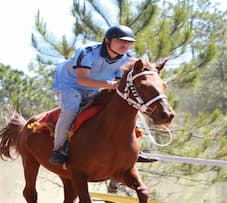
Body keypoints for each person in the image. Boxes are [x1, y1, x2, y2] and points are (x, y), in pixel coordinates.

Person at [48, 25, 158, 166]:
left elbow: (119, 82)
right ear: (107, 40)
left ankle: (134, 147)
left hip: (96, 86)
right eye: (121, 41)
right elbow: (82, 80)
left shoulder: (128, 59)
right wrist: (110, 85)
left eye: (129, 42)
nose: (125, 45)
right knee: (71, 109)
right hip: (69, 84)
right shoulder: (87, 52)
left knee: (123, 108)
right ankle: (58, 150)